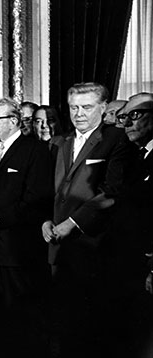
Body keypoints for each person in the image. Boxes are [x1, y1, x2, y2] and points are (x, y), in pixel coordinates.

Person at [42, 82, 134, 358]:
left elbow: (111, 193)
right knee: (61, 327)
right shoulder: (58, 142)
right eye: (73, 107)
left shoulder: (116, 140)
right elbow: (49, 191)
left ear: (104, 108)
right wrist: (45, 220)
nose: (79, 113)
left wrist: (73, 223)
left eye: (86, 107)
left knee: (93, 330)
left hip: (94, 247)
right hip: (56, 247)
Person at [0, 97, 53, 358]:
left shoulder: (34, 150)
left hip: (18, 253)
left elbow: (35, 202)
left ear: (14, 121)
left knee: (20, 325)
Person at [103, 92, 153, 357]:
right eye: (124, 117)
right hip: (128, 264)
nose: (128, 123)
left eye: (136, 115)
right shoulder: (135, 157)